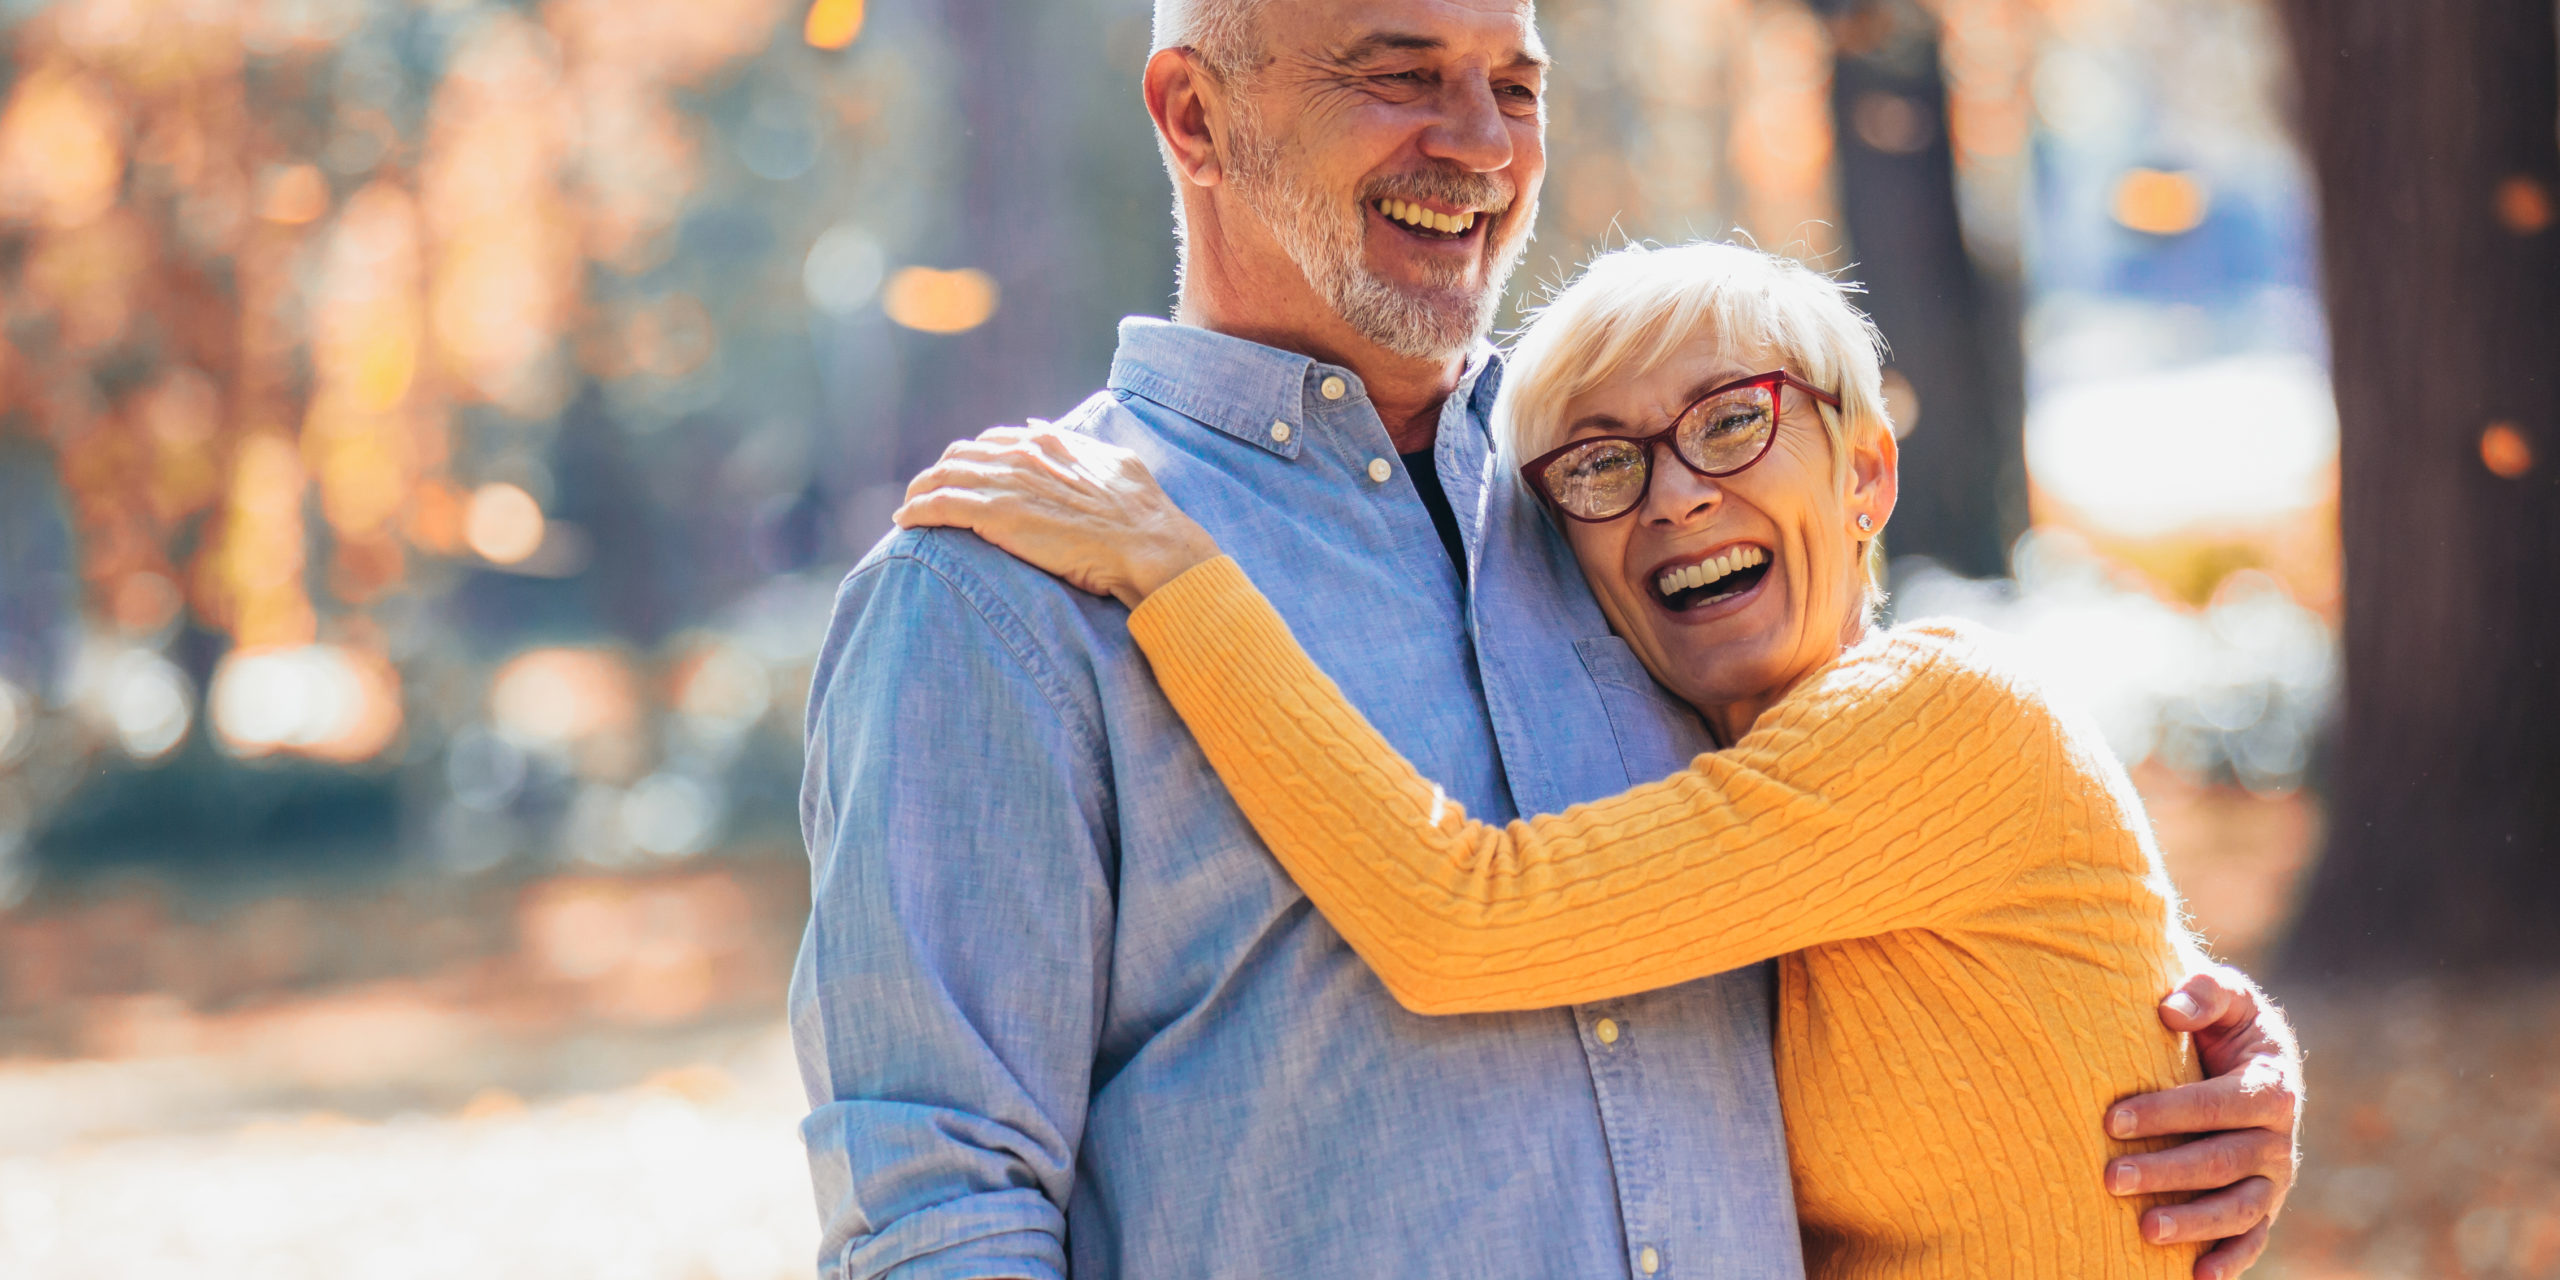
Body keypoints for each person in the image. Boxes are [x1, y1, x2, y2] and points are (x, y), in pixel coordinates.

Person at [791, 2, 2302, 1277]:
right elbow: (938, 1201)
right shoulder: (1003, 587)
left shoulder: (1625, 512)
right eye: (1398, 73)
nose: (1479, 140)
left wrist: (2189, 1057)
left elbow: (1902, 900)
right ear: (1193, 116)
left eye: (1514, 85)